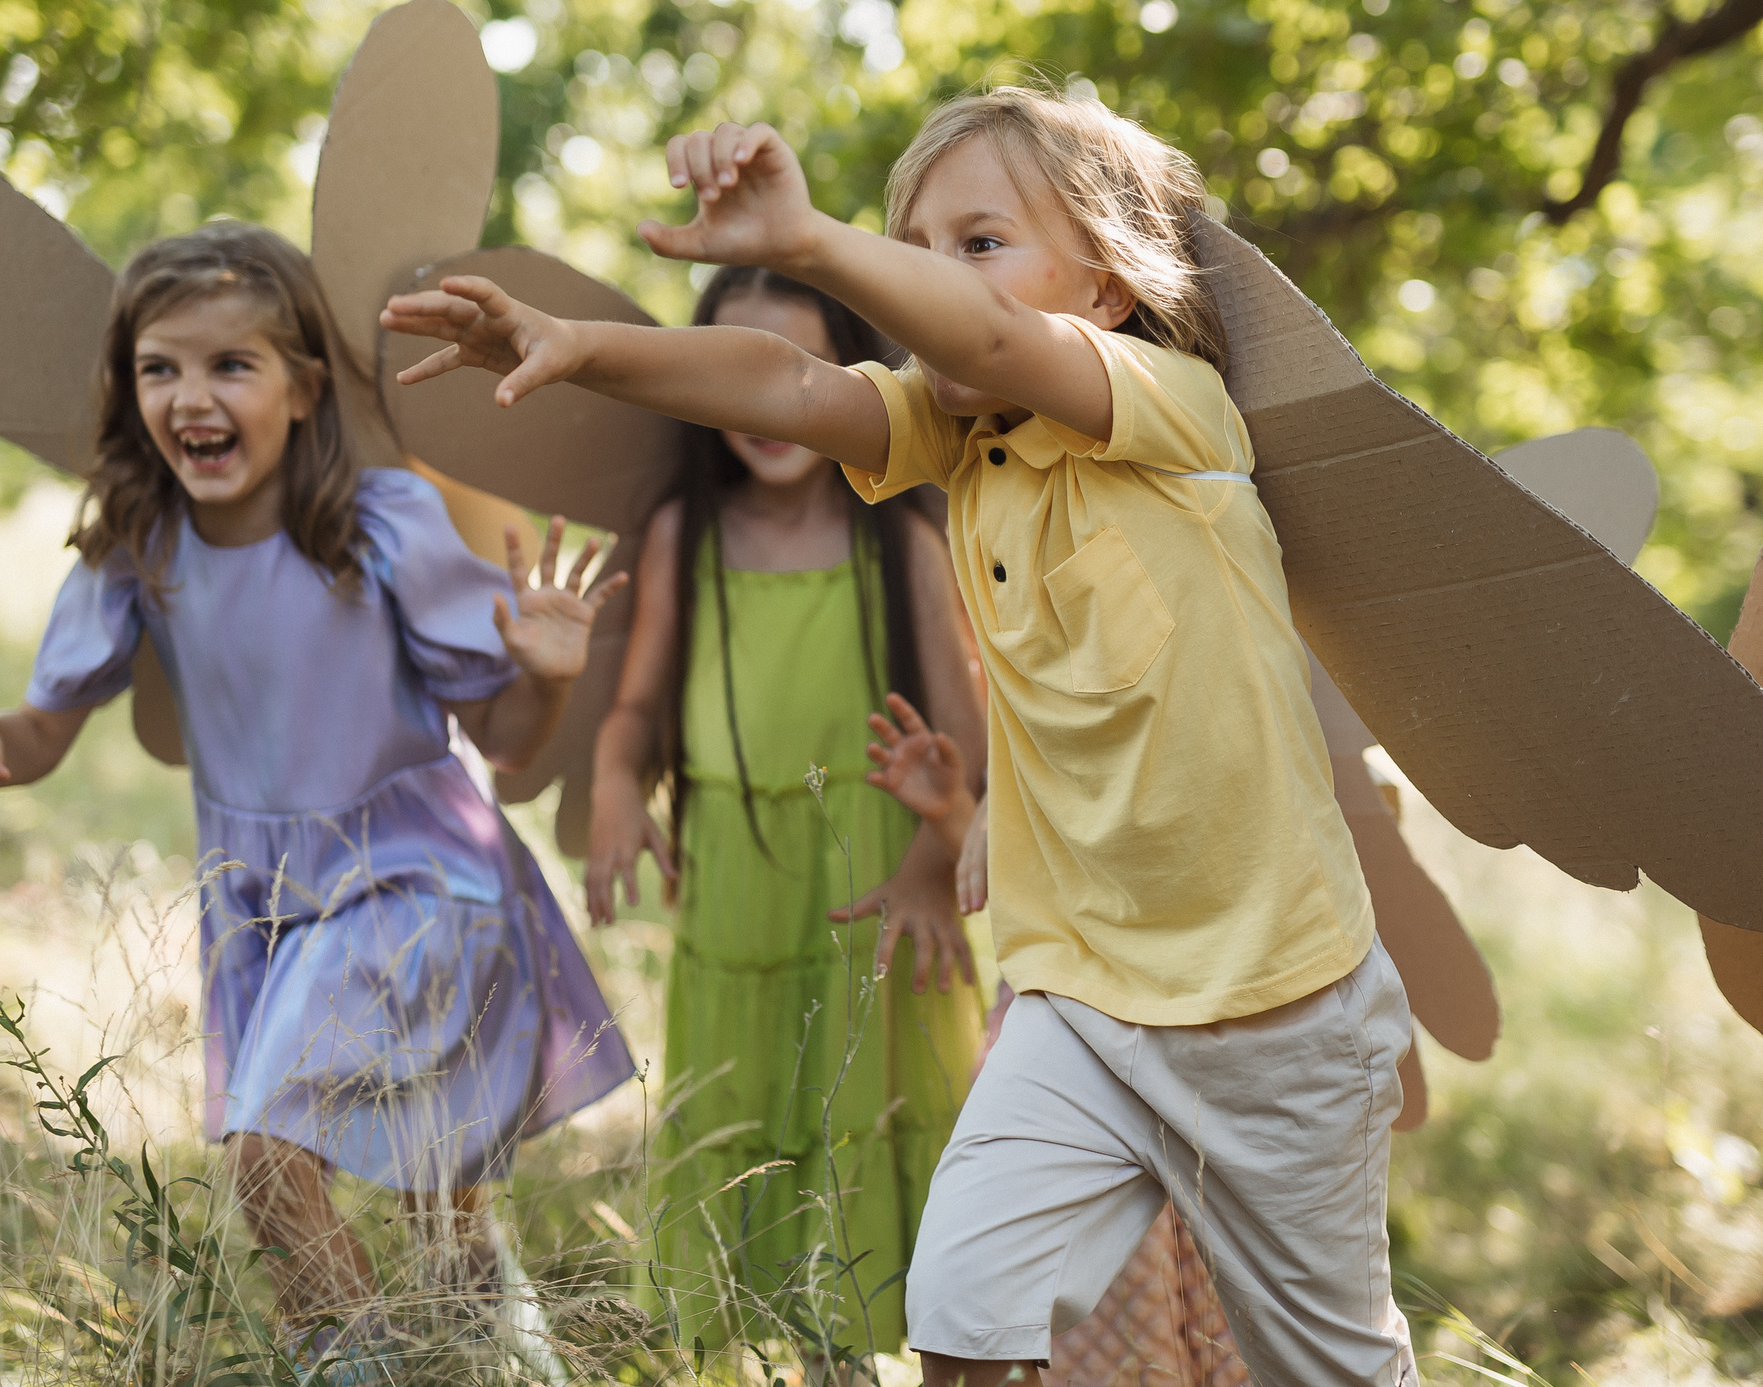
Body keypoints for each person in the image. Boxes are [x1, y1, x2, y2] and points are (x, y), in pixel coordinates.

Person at [383, 85, 1413, 1386]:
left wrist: (810, 237)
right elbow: (787, 378)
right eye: (911, 245)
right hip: (1082, 993)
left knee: (1328, 1367)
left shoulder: (1170, 411)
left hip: (1277, 1003)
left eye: (977, 239)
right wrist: (579, 343)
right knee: (963, 1312)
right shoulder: (955, 440)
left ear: (1102, 285)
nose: (936, 278)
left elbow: (988, 334)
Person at [0, 222, 636, 1371]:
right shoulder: (135, 547)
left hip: (418, 879)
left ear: (303, 388)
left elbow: (503, 743)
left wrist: (544, 678)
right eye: (160, 367)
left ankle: (383, 1369)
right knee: (440, 1208)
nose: (192, 395)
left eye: (229, 364)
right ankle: (488, 1357)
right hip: (267, 909)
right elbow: (44, 729)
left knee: (264, 1156)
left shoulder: (378, 524)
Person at [581, 263, 986, 1360]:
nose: (763, 405)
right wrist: (617, 785)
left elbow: (971, 756)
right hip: (736, 906)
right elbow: (633, 717)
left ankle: (853, 1364)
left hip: (877, 904)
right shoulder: (684, 538)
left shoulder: (901, 543)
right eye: (731, 374)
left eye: (794, 373)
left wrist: (936, 850)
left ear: (855, 382)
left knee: (867, 1155)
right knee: (748, 1150)